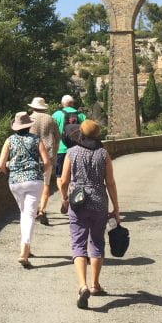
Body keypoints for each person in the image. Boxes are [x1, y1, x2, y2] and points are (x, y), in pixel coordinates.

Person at [59, 119, 121, 309]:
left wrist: (64, 198)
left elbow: (63, 180)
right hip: (99, 201)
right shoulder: (103, 154)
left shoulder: (72, 152)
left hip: (78, 201)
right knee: (97, 241)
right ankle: (95, 284)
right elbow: (110, 182)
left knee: (78, 242)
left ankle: (82, 284)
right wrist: (116, 207)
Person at [0, 111, 51, 266]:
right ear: (29, 126)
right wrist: (39, 172)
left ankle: (27, 247)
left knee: (24, 213)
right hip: (34, 180)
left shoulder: (9, 140)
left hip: (15, 182)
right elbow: (46, 162)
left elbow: (1, 165)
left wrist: (11, 172)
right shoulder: (36, 139)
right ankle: (24, 251)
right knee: (29, 215)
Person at [26, 97, 60, 225]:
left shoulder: (28, 119)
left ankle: (33, 210)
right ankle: (42, 210)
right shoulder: (50, 119)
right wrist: (54, 152)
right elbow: (58, 137)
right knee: (45, 184)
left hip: (32, 157)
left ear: (32, 107)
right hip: (48, 156)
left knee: (32, 184)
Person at [52, 95, 86, 211]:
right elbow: (87, 131)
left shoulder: (56, 115)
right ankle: (76, 199)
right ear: (73, 103)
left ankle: (64, 197)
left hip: (61, 149)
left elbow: (51, 131)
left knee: (59, 175)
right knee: (77, 176)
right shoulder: (81, 115)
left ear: (62, 104)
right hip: (78, 149)